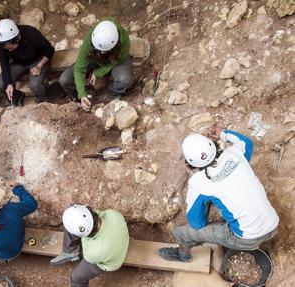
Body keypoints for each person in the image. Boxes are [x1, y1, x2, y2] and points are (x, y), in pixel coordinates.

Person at [158, 128, 279, 262]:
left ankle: (182, 255)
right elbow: (247, 143)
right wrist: (223, 133)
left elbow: (197, 223)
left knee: (184, 233)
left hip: (246, 239)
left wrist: (206, 205)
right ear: (213, 145)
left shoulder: (198, 182)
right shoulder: (235, 153)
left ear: (190, 163)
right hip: (272, 224)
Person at [59, 17, 133, 111]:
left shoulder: (123, 40)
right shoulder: (92, 39)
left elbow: (118, 60)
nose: (102, 52)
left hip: (115, 59)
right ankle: (84, 95)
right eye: (99, 49)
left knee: (124, 80)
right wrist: (82, 94)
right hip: (95, 59)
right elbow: (79, 69)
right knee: (65, 80)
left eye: (105, 50)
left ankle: (110, 94)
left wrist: (99, 72)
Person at [50, 205, 129, 287]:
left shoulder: (94, 252)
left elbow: (87, 252)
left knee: (76, 278)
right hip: (118, 239)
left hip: (111, 263)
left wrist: (80, 233)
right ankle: (70, 251)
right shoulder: (114, 215)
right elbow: (99, 214)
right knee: (73, 209)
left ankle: (72, 251)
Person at [0, 19, 55, 104]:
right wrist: (9, 84)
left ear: (17, 39)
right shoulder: (2, 43)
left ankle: (42, 101)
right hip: (18, 62)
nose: (9, 50)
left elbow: (49, 50)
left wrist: (39, 66)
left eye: (11, 48)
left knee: (35, 85)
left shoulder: (30, 33)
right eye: (7, 49)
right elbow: (4, 63)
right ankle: (16, 98)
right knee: (1, 84)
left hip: (37, 60)